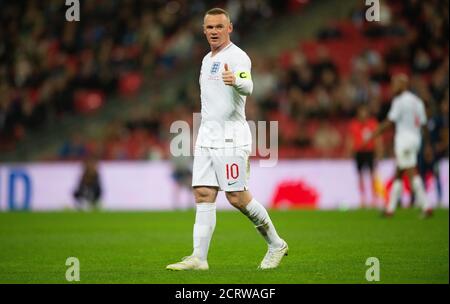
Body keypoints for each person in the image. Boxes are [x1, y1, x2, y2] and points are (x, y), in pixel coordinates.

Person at [166, 8, 288, 271]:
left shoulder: (238, 57)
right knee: (203, 193)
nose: (214, 31)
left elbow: (249, 85)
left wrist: (237, 81)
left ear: (229, 28)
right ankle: (199, 258)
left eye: (219, 27)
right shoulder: (205, 59)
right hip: (207, 137)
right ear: (204, 30)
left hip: (231, 138)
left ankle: (276, 244)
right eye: (209, 27)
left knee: (236, 197)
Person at [365, 74, 432, 217]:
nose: (392, 87)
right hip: (416, 139)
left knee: (411, 171)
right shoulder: (417, 101)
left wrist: (374, 133)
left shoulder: (400, 101)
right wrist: (427, 145)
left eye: (395, 83)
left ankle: (426, 206)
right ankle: (390, 209)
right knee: (399, 172)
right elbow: (424, 125)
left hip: (404, 140)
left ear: (404, 85)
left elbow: (390, 122)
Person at [347, 104, 382, 208]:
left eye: (364, 111)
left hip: (370, 152)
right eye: (361, 111)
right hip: (359, 152)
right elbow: (351, 139)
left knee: (372, 175)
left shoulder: (373, 123)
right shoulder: (354, 124)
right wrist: (349, 151)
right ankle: (363, 199)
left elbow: (378, 138)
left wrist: (379, 151)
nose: (363, 114)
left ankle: (374, 198)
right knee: (360, 176)